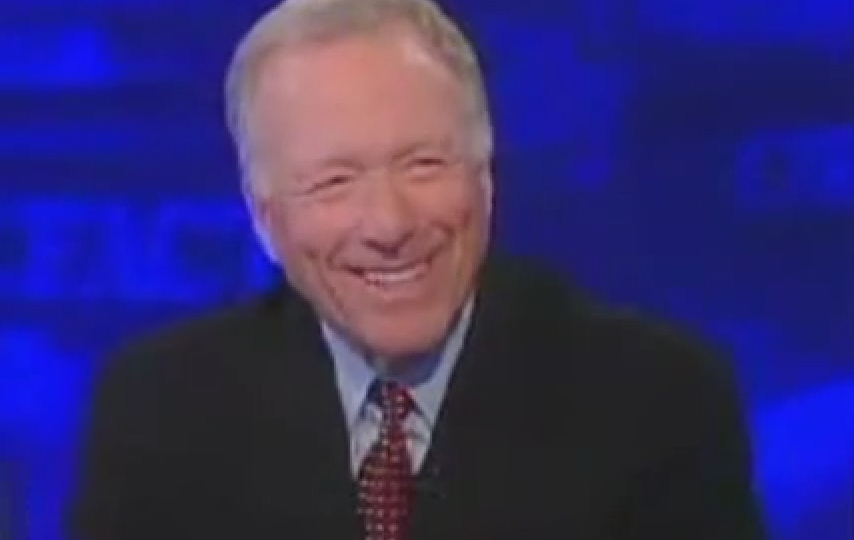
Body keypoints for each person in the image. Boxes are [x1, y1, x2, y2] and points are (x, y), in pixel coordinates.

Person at [70, 0, 768, 539]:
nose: (389, 225)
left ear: (485, 181)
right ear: (263, 217)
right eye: (334, 182)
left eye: (424, 164)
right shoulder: (162, 412)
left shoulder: (657, 401)